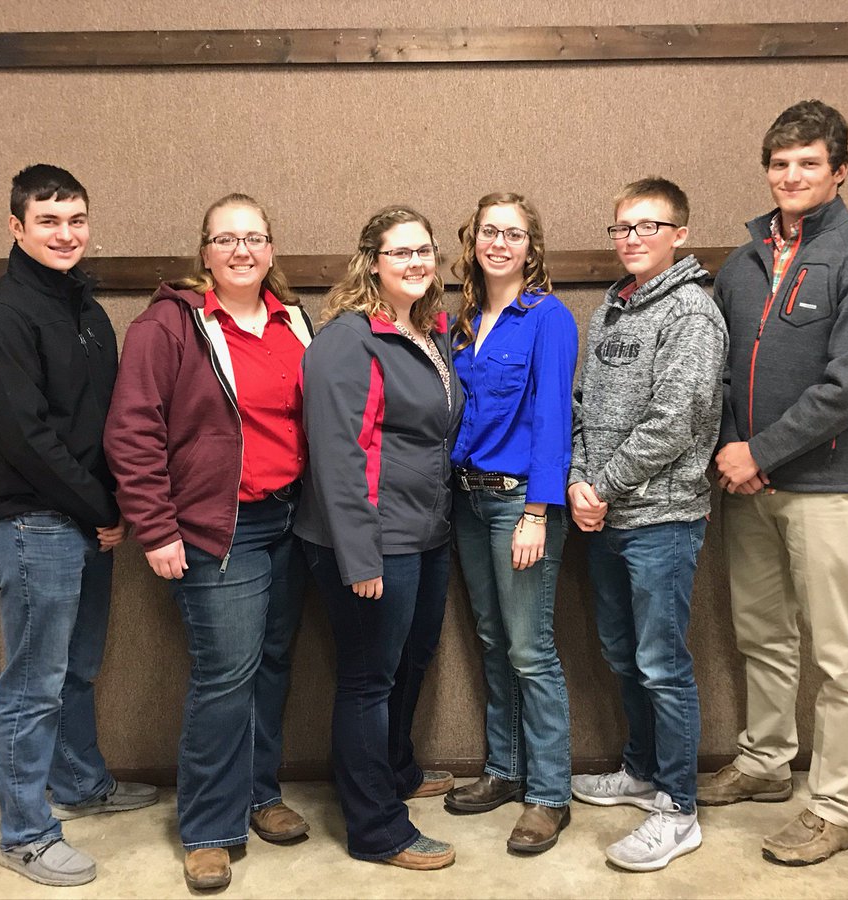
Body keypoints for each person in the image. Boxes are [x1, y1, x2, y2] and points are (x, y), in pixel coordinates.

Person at [702, 100, 848, 866]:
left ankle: (838, 804)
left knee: (840, 654)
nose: (791, 176)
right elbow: (718, 372)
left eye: (809, 163)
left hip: (827, 486)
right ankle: (764, 762)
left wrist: (761, 452)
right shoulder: (743, 260)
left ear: (840, 171)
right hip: (749, 483)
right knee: (762, 634)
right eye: (781, 164)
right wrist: (734, 449)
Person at [0, 164, 159, 888]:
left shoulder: (86, 311)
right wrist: (103, 509)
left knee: (76, 669)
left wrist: (114, 506)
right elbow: (26, 440)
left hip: (87, 525)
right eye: (48, 221)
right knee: (32, 685)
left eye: (75, 220)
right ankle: (26, 833)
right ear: (15, 227)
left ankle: (78, 783)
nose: (64, 234)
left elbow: (106, 426)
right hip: (32, 527)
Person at [104, 193, 313, 891]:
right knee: (225, 677)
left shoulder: (294, 322)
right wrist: (156, 528)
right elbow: (131, 434)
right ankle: (209, 829)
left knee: (273, 664)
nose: (242, 251)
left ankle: (258, 794)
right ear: (205, 253)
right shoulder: (169, 327)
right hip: (220, 531)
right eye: (226, 239)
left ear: (272, 248)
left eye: (254, 238)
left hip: (290, 521)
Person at [294, 205, 464, 870]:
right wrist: (360, 555)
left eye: (425, 251)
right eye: (401, 253)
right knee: (368, 679)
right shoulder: (348, 341)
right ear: (372, 262)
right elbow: (339, 456)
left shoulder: (425, 331)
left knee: (411, 659)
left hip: (425, 531)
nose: (418, 262)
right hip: (368, 538)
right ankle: (376, 828)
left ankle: (395, 770)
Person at [567, 178, 727, 872]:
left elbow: (677, 421)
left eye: (648, 225)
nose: (632, 238)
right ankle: (640, 769)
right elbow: (581, 403)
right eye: (622, 227)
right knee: (623, 654)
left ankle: (679, 808)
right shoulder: (610, 310)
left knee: (663, 665)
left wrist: (600, 485)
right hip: (603, 518)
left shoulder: (692, 312)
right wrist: (578, 479)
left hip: (661, 519)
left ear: (680, 234)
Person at [441, 193, 577, 852]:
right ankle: (505, 768)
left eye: (514, 233)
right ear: (473, 241)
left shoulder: (548, 318)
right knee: (494, 643)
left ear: (531, 246)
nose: (500, 242)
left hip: (518, 502)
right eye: (490, 231)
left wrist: (535, 513)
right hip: (467, 501)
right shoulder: (461, 320)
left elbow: (555, 419)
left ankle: (549, 793)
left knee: (531, 649)